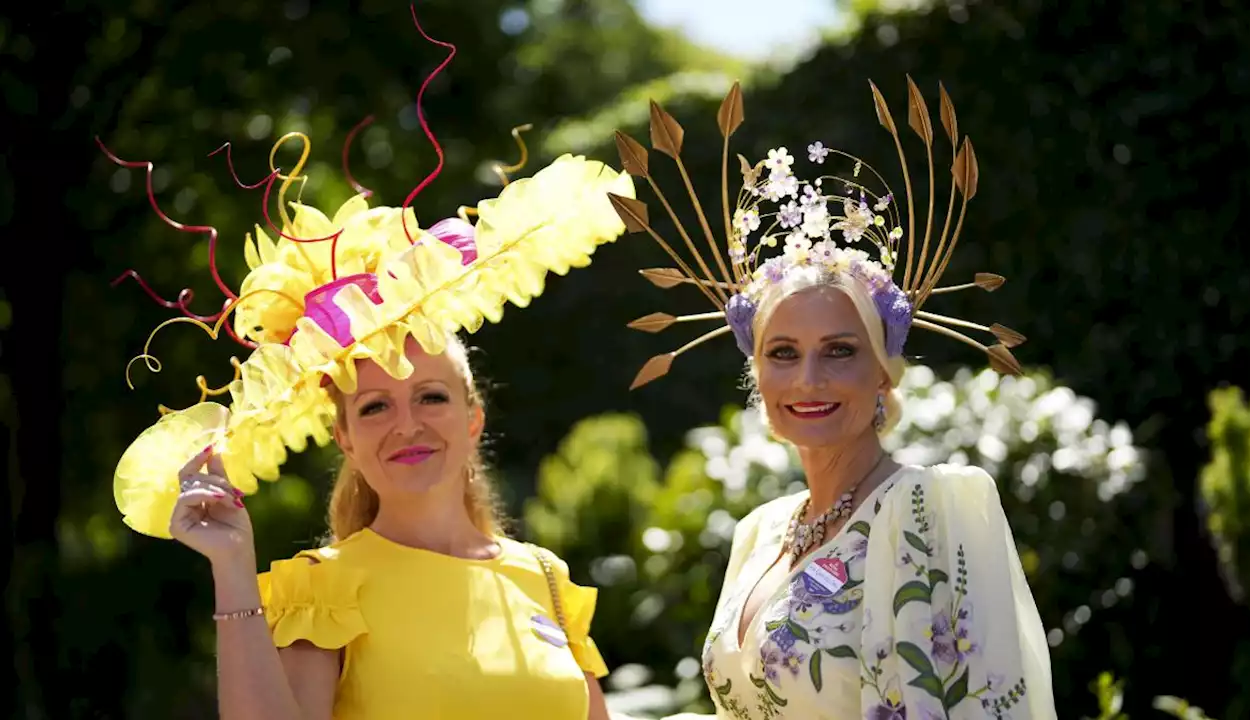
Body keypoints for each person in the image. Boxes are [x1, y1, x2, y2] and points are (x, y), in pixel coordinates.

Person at [105, 92, 637, 717]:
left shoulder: (546, 579)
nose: (407, 423)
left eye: (430, 396)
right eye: (375, 407)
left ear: (474, 420)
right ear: (345, 437)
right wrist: (232, 565)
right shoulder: (323, 586)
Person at [609, 78, 1056, 718]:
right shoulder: (758, 533)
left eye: (840, 351)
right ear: (756, 372)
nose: (808, 380)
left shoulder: (924, 508)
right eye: (783, 353)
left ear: (883, 372)